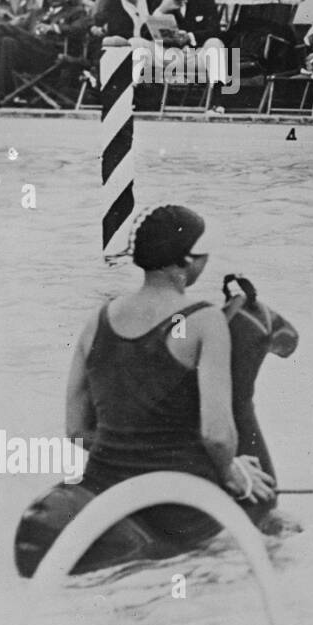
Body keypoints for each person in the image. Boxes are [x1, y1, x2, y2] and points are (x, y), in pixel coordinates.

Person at [57, 207, 276, 560]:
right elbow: (217, 436)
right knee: (282, 541)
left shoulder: (97, 319)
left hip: (105, 494)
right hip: (179, 505)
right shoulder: (204, 320)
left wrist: (131, 456)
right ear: (187, 259)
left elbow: (75, 431)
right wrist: (231, 472)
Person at [0, 0, 90, 106]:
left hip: (55, 57)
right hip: (32, 59)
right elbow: (20, 32)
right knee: (6, 42)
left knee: (2, 28)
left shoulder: (76, 11)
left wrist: (54, 28)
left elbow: (80, 28)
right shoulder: (36, 14)